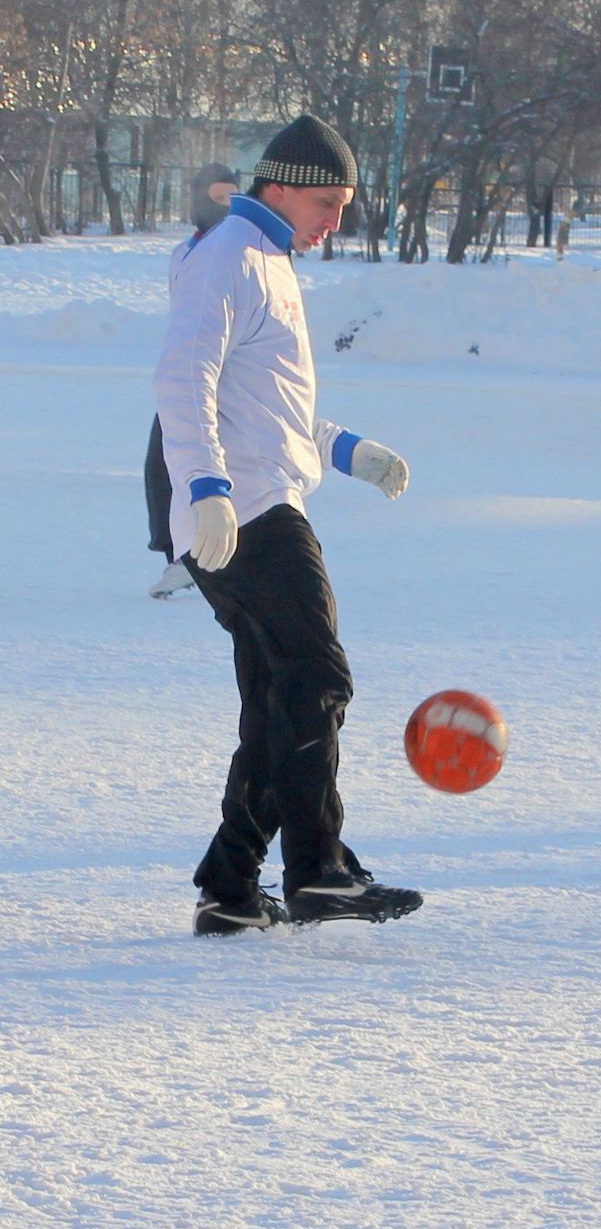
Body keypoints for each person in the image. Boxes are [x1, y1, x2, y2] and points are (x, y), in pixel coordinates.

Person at [153, 116, 423, 935]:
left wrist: (346, 449)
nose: (335, 220)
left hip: (256, 499)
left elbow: (271, 405)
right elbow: (183, 377)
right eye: (325, 201)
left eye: (343, 205)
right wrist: (206, 487)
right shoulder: (231, 255)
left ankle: (231, 888)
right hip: (247, 512)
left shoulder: (266, 260)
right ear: (279, 185)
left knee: (279, 702)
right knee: (318, 680)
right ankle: (319, 870)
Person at [147, 163, 240, 599]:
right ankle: (180, 556)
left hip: (228, 381)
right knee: (161, 465)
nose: (224, 208)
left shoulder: (238, 253)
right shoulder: (183, 254)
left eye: (231, 198)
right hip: (186, 380)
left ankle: (203, 559)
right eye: (216, 198)